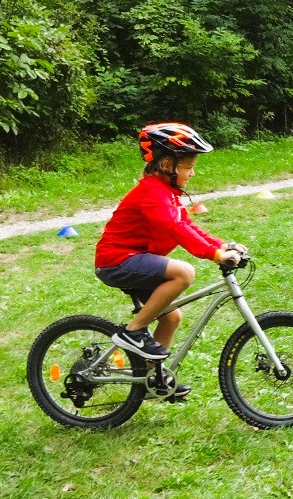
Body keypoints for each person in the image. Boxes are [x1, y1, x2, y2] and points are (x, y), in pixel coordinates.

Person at [94, 122, 246, 399]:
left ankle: (153, 381)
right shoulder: (151, 193)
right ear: (167, 165)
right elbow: (176, 230)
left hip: (136, 259)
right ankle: (133, 331)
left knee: (171, 317)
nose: (192, 173)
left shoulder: (168, 194)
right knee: (183, 273)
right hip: (116, 260)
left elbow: (187, 225)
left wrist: (223, 245)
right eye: (187, 167)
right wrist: (214, 255)